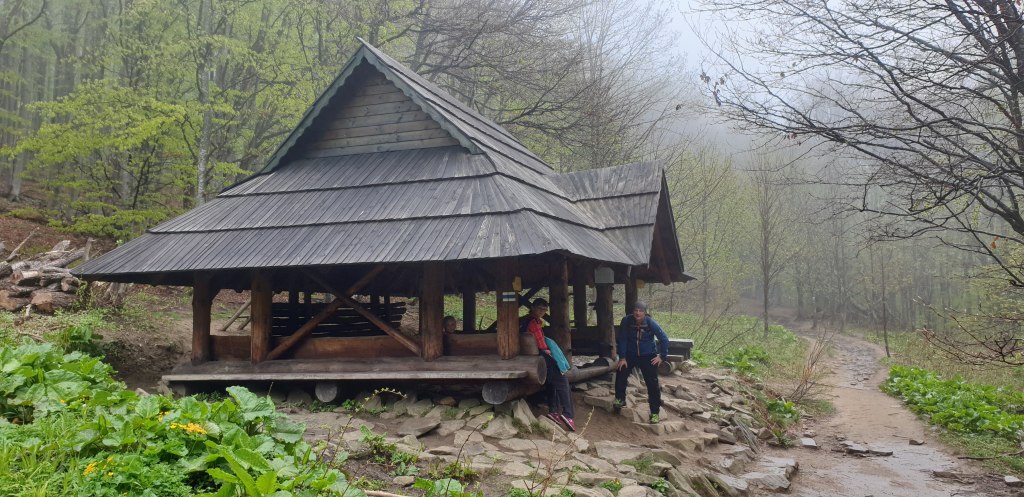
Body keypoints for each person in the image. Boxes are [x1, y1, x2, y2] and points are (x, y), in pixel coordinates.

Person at [520, 298, 576, 431]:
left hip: (531, 356)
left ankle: (553, 411)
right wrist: (549, 351)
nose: (542, 312)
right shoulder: (533, 322)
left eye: (544, 310)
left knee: (552, 381)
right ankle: (568, 414)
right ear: (533, 308)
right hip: (538, 356)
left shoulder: (526, 321)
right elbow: (540, 343)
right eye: (539, 309)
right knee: (562, 380)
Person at [613, 301, 669, 424]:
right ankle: (620, 399)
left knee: (652, 384)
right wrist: (622, 357)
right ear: (633, 311)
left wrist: (662, 356)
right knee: (621, 372)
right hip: (630, 355)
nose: (638, 313)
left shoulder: (650, 322)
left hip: (648, 356)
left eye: (641, 311)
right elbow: (622, 339)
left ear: (645, 313)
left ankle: (655, 412)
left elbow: (664, 338)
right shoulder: (626, 321)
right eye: (636, 310)